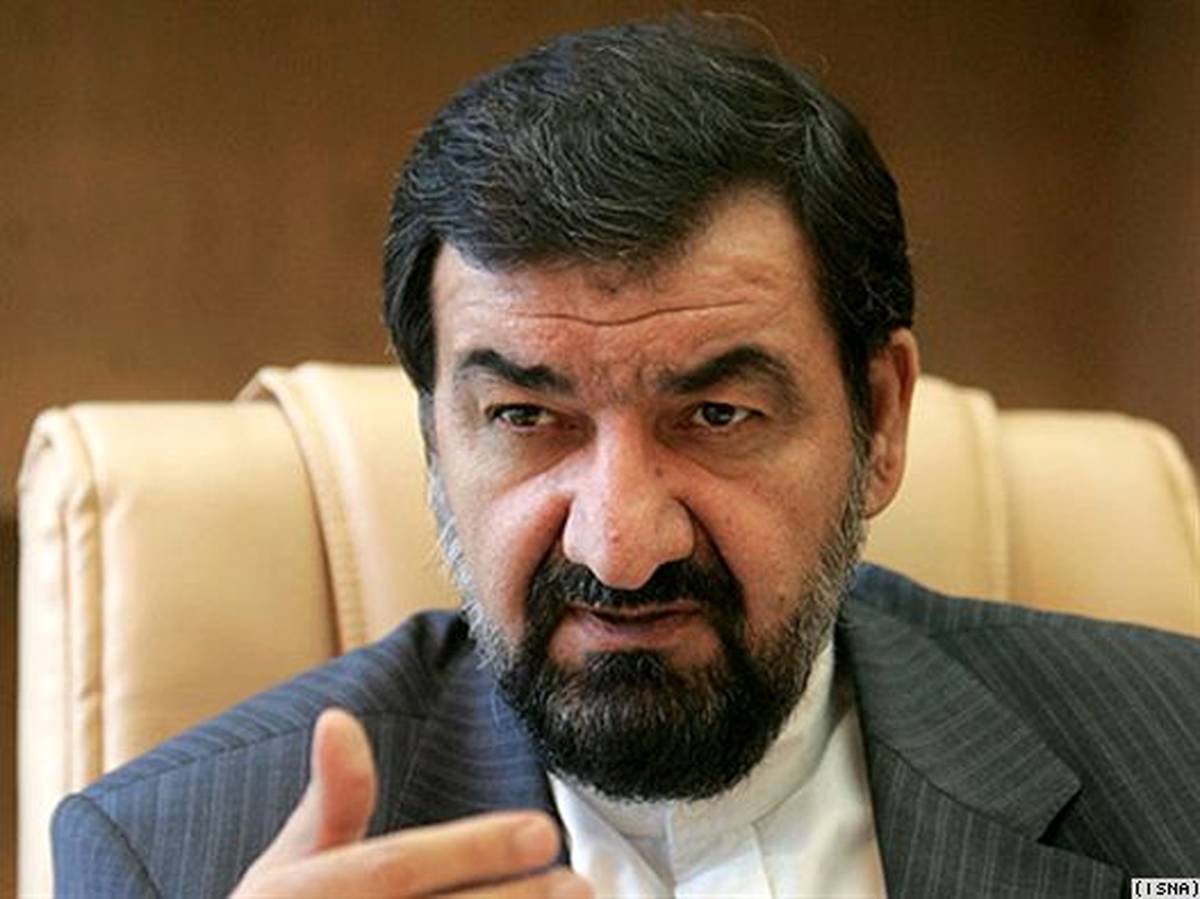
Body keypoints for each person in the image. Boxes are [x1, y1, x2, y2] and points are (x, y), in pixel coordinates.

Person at [52, 19, 1199, 898]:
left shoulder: (1175, 757)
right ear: (436, 439)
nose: (621, 546)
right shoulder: (172, 857)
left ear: (881, 419)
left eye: (717, 414)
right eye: (525, 417)